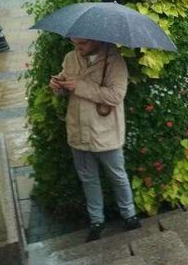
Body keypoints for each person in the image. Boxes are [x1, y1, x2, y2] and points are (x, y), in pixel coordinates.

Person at [49, 38, 141, 241]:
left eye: (82, 43)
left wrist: (79, 86)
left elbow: (116, 96)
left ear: (95, 40)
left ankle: (130, 215)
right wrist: (57, 85)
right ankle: (96, 221)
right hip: (78, 130)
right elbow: (64, 84)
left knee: (117, 176)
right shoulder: (70, 58)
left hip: (105, 132)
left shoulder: (114, 61)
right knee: (88, 179)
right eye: (75, 43)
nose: (78, 48)